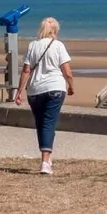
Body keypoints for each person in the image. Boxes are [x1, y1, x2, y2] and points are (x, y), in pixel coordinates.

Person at [13, 16, 75, 175]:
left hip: (35, 89)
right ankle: (45, 162)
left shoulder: (32, 46)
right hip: (55, 87)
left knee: (42, 123)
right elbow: (67, 71)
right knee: (49, 123)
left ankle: (48, 158)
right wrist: (71, 87)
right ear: (54, 31)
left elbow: (26, 70)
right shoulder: (59, 46)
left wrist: (19, 91)